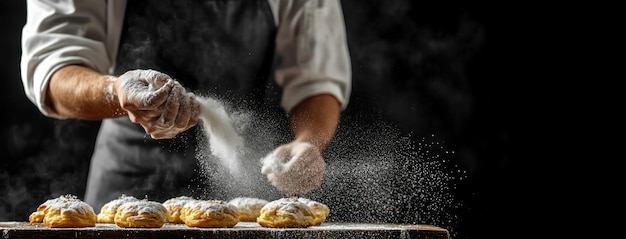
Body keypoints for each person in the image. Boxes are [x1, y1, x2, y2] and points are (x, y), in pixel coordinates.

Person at [20, 0, 351, 210]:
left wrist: (308, 140)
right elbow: (54, 68)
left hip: (245, 180)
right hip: (127, 178)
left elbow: (316, 76)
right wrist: (118, 91)